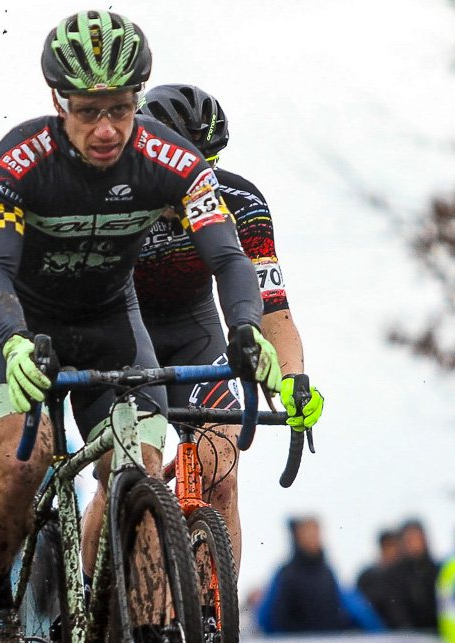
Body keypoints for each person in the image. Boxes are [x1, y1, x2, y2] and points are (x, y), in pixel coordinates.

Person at [0, 10, 282, 643]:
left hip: (109, 318)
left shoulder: (171, 161)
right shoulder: (19, 161)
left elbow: (227, 255)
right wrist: (16, 339)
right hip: (18, 321)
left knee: (138, 468)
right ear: (58, 104)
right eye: (88, 112)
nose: (106, 128)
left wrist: (248, 327)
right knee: (26, 458)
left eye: (121, 109)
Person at [126, 83, 324, 563]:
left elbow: (273, 308)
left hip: (194, 333)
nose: (197, 180)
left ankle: (213, 624)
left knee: (221, 469)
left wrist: (294, 378)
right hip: (123, 337)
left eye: (208, 165)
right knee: (136, 473)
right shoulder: (115, 200)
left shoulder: (239, 202)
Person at [255, 517, 354, 634]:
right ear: (298, 537)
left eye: (316, 533)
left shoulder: (327, 573)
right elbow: (267, 616)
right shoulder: (286, 574)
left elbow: (351, 607)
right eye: (309, 533)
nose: (314, 538)